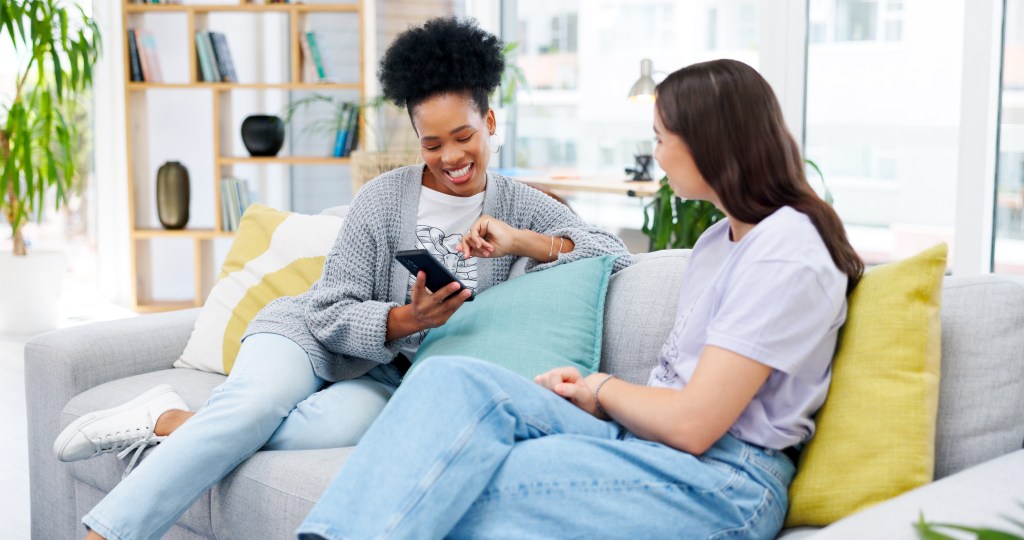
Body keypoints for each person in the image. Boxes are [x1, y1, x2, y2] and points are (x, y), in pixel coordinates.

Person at [53, 17, 632, 540]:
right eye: (432, 144)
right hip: (304, 338)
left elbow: (614, 255)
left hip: (388, 380)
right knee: (254, 408)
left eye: (464, 137)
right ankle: (108, 533)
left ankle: (167, 420)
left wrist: (520, 241)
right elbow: (330, 308)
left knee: (332, 429)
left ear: (490, 121)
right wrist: (409, 318)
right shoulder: (382, 199)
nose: (451, 156)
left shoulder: (522, 205)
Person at [295, 58, 865, 540]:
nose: (657, 156)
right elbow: (681, 390)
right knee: (451, 380)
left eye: (662, 139)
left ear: (709, 145)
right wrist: (598, 401)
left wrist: (601, 388)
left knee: (466, 478)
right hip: (654, 447)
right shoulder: (721, 239)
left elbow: (696, 423)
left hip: (722, 481)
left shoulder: (787, 250)